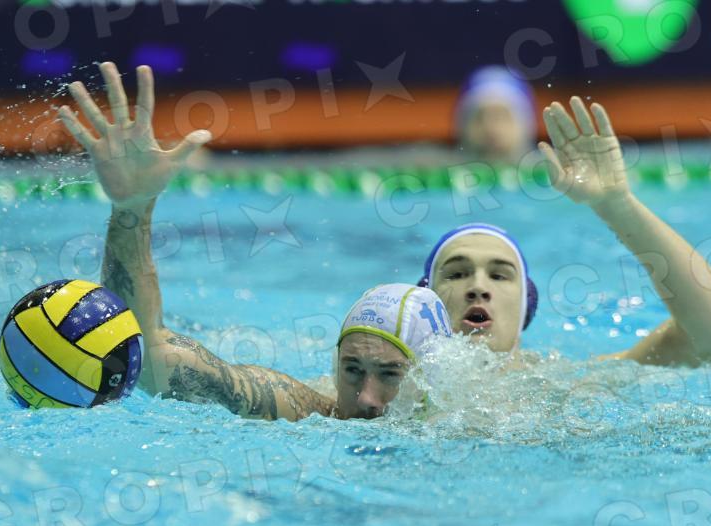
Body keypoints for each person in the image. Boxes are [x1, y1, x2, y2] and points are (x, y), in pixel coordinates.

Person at [57, 62, 449, 421]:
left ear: (431, 374)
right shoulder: (304, 411)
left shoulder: (477, 428)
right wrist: (132, 208)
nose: (366, 398)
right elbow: (150, 356)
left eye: (391, 374)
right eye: (352, 370)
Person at [420, 97, 711, 367]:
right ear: (423, 304)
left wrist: (617, 205)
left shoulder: (565, 387)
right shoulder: (394, 386)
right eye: (457, 274)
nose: (478, 287)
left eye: (499, 275)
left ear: (525, 306)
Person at [455, 65, 537, 163]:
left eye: (502, 116)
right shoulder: (442, 168)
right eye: (480, 118)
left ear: (526, 125)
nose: (491, 129)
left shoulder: (549, 168)